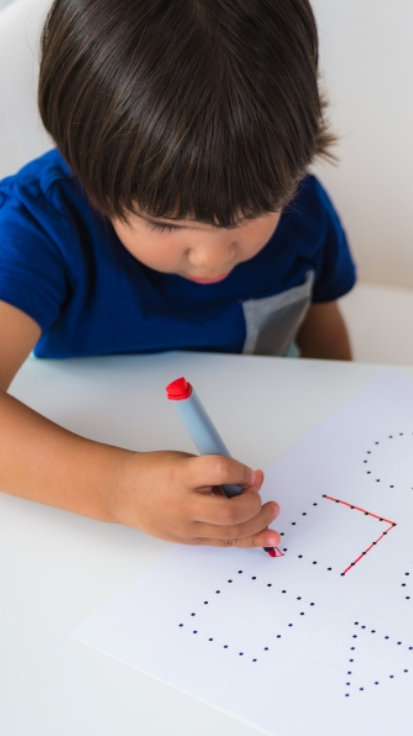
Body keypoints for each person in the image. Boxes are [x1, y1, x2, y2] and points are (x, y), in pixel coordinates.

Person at [0, 0, 355, 546]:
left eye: (249, 216)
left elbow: (327, 344)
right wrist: (118, 488)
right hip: (84, 522)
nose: (213, 257)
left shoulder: (302, 209)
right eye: (165, 224)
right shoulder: (39, 227)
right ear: (86, 169)